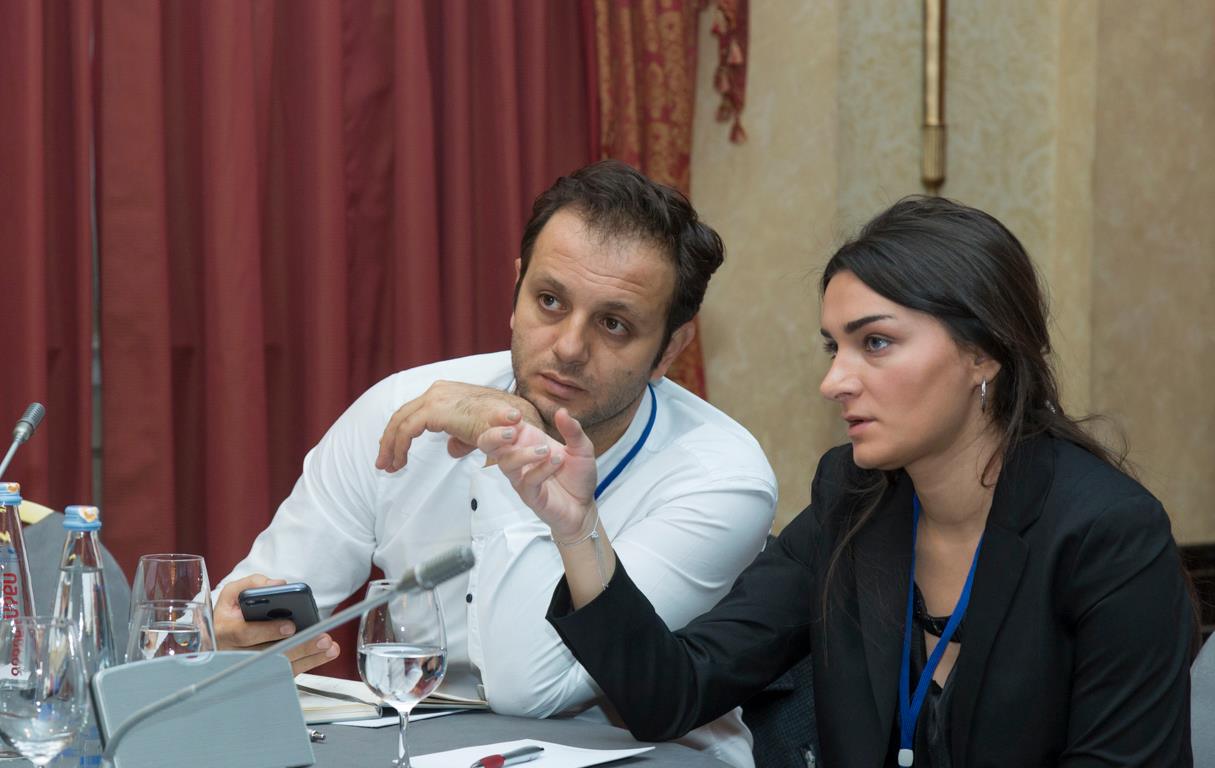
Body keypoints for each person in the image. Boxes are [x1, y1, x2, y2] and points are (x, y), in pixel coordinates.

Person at [478, 196, 1196, 767]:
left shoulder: (1105, 534)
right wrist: (578, 527)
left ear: (982, 352)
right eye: (834, 347)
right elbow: (670, 693)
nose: (833, 381)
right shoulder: (852, 499)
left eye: (874, 343)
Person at [213, 160, 777, 768]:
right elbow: (255, 604)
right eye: (549, 301)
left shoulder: (720, 477)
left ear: (669, 349)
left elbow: (530, 688)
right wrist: (236, 635)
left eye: (614, 324)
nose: (569, 348)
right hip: (422, 748)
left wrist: (513, 442)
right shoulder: (404, 409)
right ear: (515, 292)